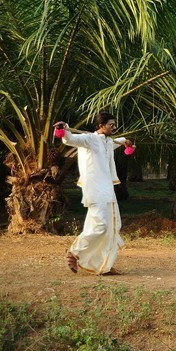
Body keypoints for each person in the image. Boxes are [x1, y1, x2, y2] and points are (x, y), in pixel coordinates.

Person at [56, 112, 131, 275]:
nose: (114, 127)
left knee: (112, 226)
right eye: (111, 124)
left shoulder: (108, 142)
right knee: (101, 226)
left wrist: (126, 142)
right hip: (95, 191)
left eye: (114, 124)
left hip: (108, 191)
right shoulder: (89, 139)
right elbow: (70, 139)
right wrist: (64, 129)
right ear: (100, 125)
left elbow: (116, 142)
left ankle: (103, 266)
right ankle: (74, 252)